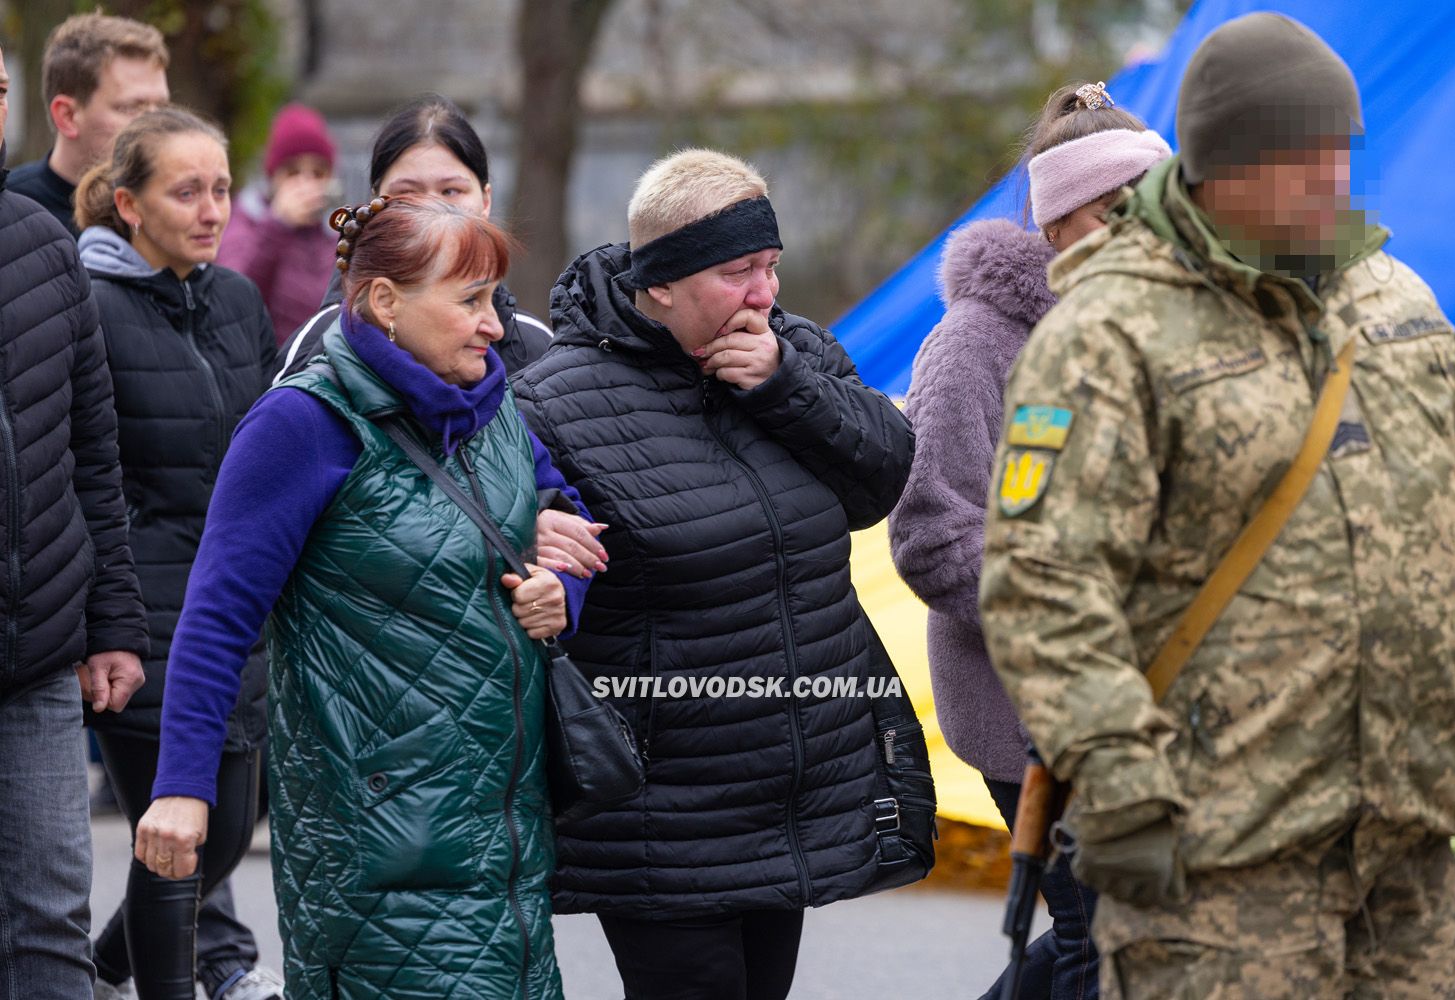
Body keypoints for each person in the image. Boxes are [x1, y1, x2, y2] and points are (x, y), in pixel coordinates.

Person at [981, 12, 1455, 999]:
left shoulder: (1396, 302)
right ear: (1221, 167)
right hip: (1216, 872)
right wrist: (1127, 793)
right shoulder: (1111, 329)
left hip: (1410, 856)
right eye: (1300, 161)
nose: (1333, 183)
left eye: (1340, 154)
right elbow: (1045, 585)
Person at [136, 193, 590, 999]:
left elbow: (564, 523)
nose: (495, 326)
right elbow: (216, 618)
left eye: (493, 300)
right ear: (385, 303)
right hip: (377, 842)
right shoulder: (302, 424)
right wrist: (181, 789)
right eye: (470, 301)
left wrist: (562, 591)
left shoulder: (492, 409)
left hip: (506, 839)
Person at [511, 148, 916, 1000]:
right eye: (737, 273)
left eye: (769, 267)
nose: (763, 294)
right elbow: (511, 560)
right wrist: (532, 537)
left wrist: (783, 387)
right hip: (665, 806)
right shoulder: (554, 400)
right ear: (659, 282)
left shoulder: (792, 351)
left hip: (794, 786)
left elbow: (881, 480)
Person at [888, 81, 1170, 1000]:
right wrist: (1077, 608)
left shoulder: (1160, 331)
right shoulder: (972, 345)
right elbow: (932, 536)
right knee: (1106, 946)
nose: (1143, 233)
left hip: (1148, 705)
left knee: (1138, 940)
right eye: (1113, 212)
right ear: (1054, 225)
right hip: (1030, 711)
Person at [72, 106, 282, 1000]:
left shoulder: (233, 299)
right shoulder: (90, 306)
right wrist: (100, 618)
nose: (212, 209)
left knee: (231, 828)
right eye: (185, 190)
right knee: (178, 840)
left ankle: (94, 970)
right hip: (140, 618)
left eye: (223, 189)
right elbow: (81, 472)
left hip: (238, 611)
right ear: (128, 202)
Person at [0, 43, 150, 1000]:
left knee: (51, 919)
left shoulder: (42, 244)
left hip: (37, 654)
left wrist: (113, 626)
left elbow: (94, 456)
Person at [275, 94, 552, 381]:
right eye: (408, 193)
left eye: (450, 191)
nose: (432, 208)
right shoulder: (322, 344)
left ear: (485, 201)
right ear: (375, 204)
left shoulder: (531, 346)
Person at [9, 12, 169, 235]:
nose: (158, 125)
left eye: (162, 107)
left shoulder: (175, 208)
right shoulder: (9, 213)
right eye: (132, 108)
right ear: (67, 116)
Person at [217, 103, 340, 346]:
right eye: (293, 172)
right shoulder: (246, 222)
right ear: (273, 176)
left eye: (317, 173)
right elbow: (232, 297)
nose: (305, 183)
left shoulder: (335, 234)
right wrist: (278, 224)